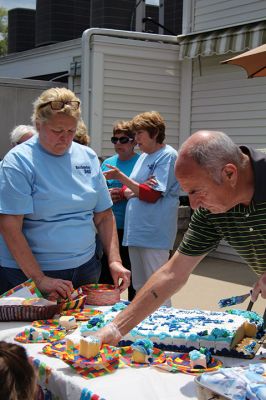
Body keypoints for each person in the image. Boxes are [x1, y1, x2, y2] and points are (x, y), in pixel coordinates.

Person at [94, 129, 266, 345]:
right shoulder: (210, 211)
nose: (193, 205)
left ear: (229, 174)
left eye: (196, 191)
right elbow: (172, 273)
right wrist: (115, 329)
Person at [0, 87, 130, 299]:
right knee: (33, 332)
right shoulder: (19, 161)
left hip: (86, 267)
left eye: (70, 131)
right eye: (57, 130)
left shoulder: (87, 157)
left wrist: (114, 261)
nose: (65, 138)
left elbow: (104, 215)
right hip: (30, 273)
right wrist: (39, 279)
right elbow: (9, 226)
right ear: (38, 125)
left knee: (79, 329)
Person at [103, 111, 180, 306]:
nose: (136, 139)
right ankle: (143, 328)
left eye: (139, 134)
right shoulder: (145, 156)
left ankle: (162, 332)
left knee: (157, 287)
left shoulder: (167, 155)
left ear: (154, 133)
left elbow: (151, 194)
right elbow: (132, 190)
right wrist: (136, 188)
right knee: (140, 286)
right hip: (137, 233)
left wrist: (123, 179)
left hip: (154, 233)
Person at [100, 120, 140, 300]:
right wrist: (106, 194)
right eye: (114, 140)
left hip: (133, 230)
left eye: (123, 140)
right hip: (110, 229)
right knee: (107, 277)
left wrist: (124, 192)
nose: (118, 144)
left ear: (134, 141)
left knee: (134, 277)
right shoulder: (107, 163)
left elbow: (148, 189)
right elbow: (97, 191)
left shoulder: (142, 162)